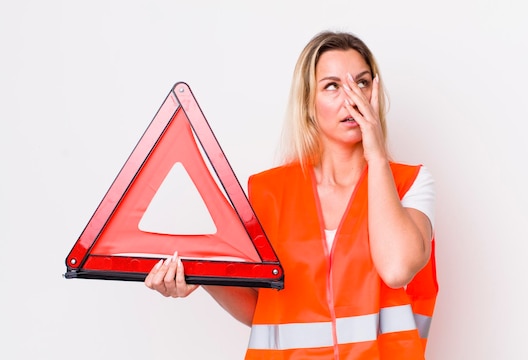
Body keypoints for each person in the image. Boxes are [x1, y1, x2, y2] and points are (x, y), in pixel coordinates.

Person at [145, 30, 438, 359]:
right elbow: (263, 309)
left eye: (362, 82)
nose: (352, 99)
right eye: (332, 86)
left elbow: (397, 268)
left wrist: (377, 157)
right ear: (309, 103)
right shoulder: (267, 193)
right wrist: (201, 275)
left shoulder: (410, 182)